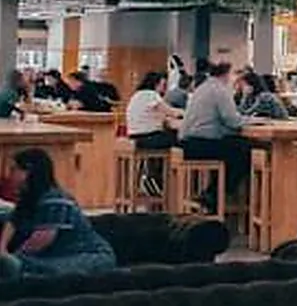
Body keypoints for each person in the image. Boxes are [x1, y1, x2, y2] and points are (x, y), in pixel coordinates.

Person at [0, 148, 116, 279]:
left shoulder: (55, 198)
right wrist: (2, 250)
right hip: (55, 255)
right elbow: (12, 221)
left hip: (89, 254)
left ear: (29, 171)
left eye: (14, 169)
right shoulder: (27, 199)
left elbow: (42, 238)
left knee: (55, 271)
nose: (9, 174)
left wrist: (15, 257)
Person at [177, 61, 250, 201]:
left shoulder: (203, 88)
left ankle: (212, 192)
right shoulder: (220, 90)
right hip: (199, 145)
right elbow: (232, 121)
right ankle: (217, 195)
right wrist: (253, 121)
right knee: (243, 151)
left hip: (187, 143)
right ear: (226, 75)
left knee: (232, 150)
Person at [126, 72, 179, 151]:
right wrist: (185, 113)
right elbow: (171, 112)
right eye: (163, 85)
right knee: (177, 139)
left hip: (134, 137)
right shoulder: (152, 95)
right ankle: (169, 163)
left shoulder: (136, 95)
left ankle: (155, 163)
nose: (165, 88)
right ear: (156, 84)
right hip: (148, 138)